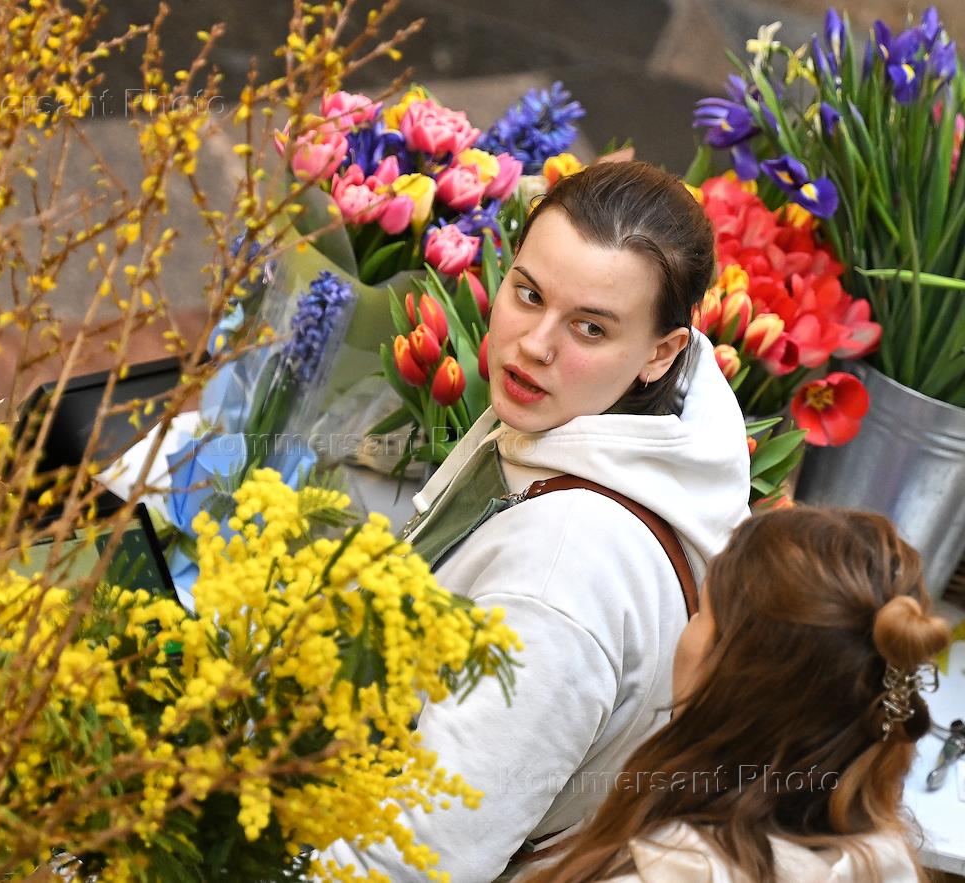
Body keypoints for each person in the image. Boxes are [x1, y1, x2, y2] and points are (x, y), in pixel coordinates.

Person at [318, 161, 751, 880]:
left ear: (661, 352)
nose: (535, 344)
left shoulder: (560, 579)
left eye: (590, 327)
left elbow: (417, 859)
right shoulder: (615, 431)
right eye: (528, 293)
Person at [519, 506, 952, 883]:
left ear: (738, 682)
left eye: (703, 612)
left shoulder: (663, 872)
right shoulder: (881, 857)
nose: (687, 624)